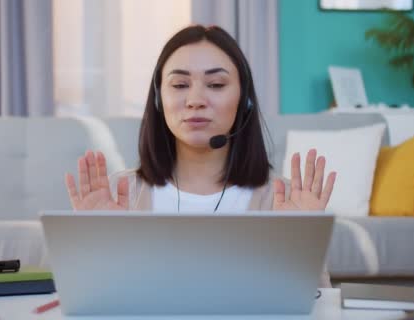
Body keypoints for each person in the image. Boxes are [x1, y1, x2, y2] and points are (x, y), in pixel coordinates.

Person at [64, 25, 337, 287]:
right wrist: (90, 245)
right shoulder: (116, 194)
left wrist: (303, 244)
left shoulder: (285, 200)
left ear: (245, 100)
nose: (195, 99)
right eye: (180, 84)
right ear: (159, 99)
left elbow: (318, 307)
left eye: (216, 84)